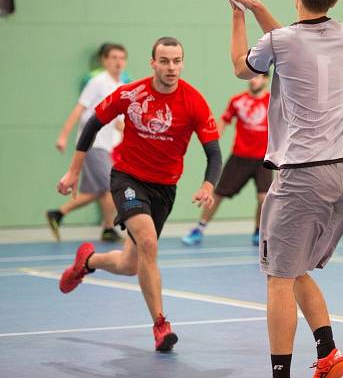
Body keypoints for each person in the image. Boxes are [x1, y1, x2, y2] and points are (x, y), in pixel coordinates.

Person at [224, 0, 343, 378]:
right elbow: (292, 41)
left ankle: (280, 374)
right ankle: (328, 353)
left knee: (277, 278)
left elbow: (242, 68)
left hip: (303, 176)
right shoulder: (341, 35)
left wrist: (238, 17)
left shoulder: (280, 42)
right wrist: (260, 7)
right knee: (295, 269)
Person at [56, 37, 222, 352]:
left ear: (182, 63)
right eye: (164, 61)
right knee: (148, 242)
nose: (171, 67)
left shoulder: (194, 102)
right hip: (128, 177)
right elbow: (92, 125)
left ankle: (87, 262)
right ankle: (161, 325)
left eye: (176, 61)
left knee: (131, 263)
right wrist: (74, 171)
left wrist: (208, 185)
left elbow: (213, 153)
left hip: (164, 188)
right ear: (153, 63)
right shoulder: (132, 94)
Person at [46, 44, 127, 242]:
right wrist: (63, 136)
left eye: (121, 58)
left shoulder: (120, 87)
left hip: (108, 146)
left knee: (96, 191)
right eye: (113, 57)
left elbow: (118, 123)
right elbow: (79, 109)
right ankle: (111, 226)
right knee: (112, 184)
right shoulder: (98, 82)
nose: (118, 62)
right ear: (105, 61)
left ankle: (58, 214)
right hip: (93, 144)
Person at [182, 73, 272, 247]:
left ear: (266, 80)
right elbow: (224, 121)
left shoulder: (272, 102)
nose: (254, 79)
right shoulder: (237, 101)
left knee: (265, 198)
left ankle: (258, 232)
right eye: (251, 77)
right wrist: (212, 140)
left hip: (264, 159)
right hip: (240, 157)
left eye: (259, 77)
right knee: (217, 194)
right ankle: (199, 229)